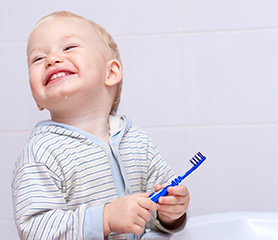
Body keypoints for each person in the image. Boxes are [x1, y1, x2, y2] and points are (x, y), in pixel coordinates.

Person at [12, 11, 189, 240]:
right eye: (38, 58)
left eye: (69, 47)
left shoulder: (137, 141)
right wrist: (104, 219)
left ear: (111, 72)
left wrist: (171, 213)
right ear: (36, 97)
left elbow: (153, 211)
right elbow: (36, 230)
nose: (52, 59)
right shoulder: (40, 154)